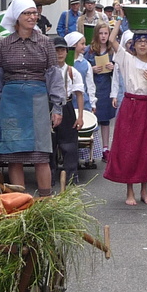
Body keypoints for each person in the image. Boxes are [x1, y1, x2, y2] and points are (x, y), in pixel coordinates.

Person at [0, 0, 64, 197]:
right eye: (26, 13)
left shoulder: (45, 43)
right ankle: (20, 203)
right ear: (16, 18)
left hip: (37, 99)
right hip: (10, 103)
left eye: (34, 13)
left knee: (41, 155)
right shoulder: (4, 44)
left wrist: (57, 107)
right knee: (15, 156)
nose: (32, 17)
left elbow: (54, 75)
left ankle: (46, 201)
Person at [103, 20, 147, 205]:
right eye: (138, 41)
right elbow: (112, 39)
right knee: (129, 149)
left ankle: (144, 191)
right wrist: (120, 20)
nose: (142, 44)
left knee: (146, 149)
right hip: (130, 106)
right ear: (133, 44)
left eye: (145, 42)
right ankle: (129, 191)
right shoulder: (127, 59)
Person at [50, 37, 84, 185]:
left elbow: (79, 94)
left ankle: (71, 175)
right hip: (50, 107)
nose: (59, 53)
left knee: (69, 144)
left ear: (67, 52)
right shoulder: (48, 71)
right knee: (50, 144)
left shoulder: (72, 71)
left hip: (67, 105)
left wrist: (80, 116)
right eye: (56, 50)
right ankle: (49, 176)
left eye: (62, 50)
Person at [84, 22, 117, 162]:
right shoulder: (89, 50)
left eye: (106, 33)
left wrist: (113, 67)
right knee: (91, 118)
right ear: (96, 34)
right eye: (101, 33)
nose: (103, 36)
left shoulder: (112, 51)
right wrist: (91, 69)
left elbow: (121, 70)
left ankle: (105, 148)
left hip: (106, 87)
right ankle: (88, 150)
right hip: (92, 87)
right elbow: (80, 67)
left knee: (105, 120)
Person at [65, 31, 96, 113]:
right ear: (74, 45)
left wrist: (92, 102)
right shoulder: (64, 63)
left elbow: (90, 85)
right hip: (67, 102)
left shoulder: (86, 64)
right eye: (82, 44)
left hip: (83, 102)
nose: (85, 46)